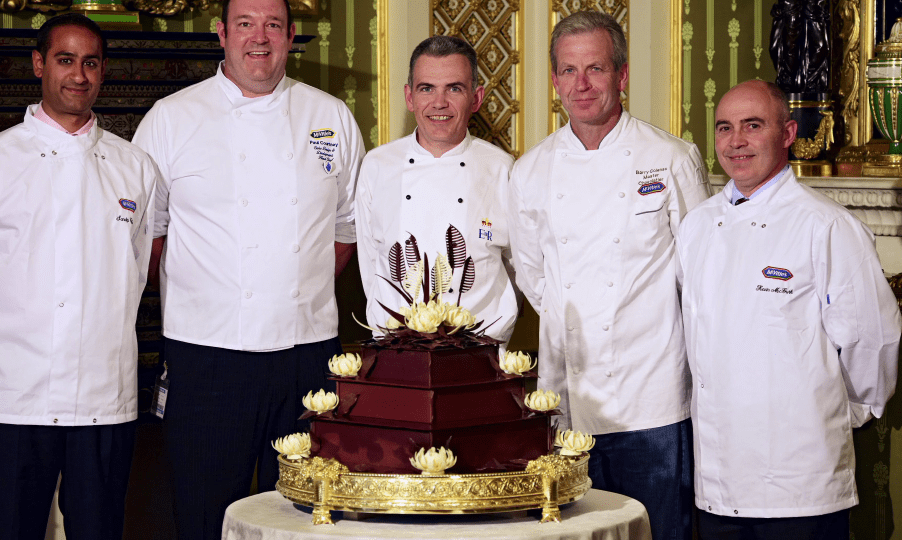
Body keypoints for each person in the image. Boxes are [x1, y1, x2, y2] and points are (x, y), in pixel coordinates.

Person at [131, 0, 364, 537]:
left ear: (290, 35)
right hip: (206, 356)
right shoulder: (171, 118)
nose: (259, 38)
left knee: (307, 517)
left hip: (307, 356)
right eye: (244, 24)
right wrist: (209, 294)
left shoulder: (330, 117)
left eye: (272, 25)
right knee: (205, 515)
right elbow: (147, 235)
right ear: (221, 34)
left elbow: (346, 229)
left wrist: (294, 293)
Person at [0, 13, 159, 539]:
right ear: (40, 64)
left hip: (104, 400)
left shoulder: (135, 167)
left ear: (103, 71)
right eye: (65, 60)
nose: (78, 75)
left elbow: (134, 278)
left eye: (90, 63)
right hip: (11, 398)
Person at [507, 10, 709, 539]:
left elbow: (698, 276)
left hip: (654, 396)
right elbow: (534, 275)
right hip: (568, 400)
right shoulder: (531, 170)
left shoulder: (669, 158)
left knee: (660, 531)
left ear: (621, 75)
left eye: (595, 69)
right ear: (554, 80)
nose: (582, 84)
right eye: (569, 71)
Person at [677, 79, 900, 539]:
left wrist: (840, 411)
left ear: (788, 133)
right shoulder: (696, 226)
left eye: (752, 125)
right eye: (724, 128)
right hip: (717, 481)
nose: (735, 141)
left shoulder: (827, 226)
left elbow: (873, 341)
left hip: (804, 484)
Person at [356, 36, 517, 342]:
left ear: (476, 97)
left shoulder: (502, 168)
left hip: (481, 351)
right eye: (426, 88)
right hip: (396, 351)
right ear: (409, 97)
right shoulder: (377, 166)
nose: (439, 103)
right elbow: (370, 265)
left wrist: (493, 336)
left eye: (454, 88)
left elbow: (518, 270)